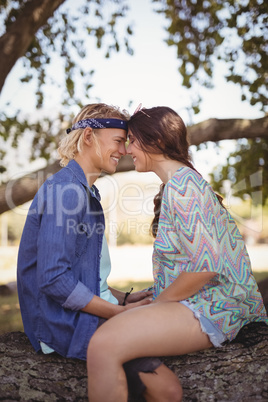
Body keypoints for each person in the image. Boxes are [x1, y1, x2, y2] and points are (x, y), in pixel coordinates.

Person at [87, 105, 268, 402]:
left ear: (155, 142)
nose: (128, 148)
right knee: (113, 333)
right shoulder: (180, 184)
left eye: (132, 140)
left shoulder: (183, 186)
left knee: (102, 344)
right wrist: (154, 295)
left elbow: (205, 268)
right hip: (205, 302)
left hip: (218, 307)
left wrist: (159, 303)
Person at [17, 103, 154, 365]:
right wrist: (117, 312)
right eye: (118, 141)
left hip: (83, 318)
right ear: (89, 136)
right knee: (164, 382)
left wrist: (123, 298)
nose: (124, 151)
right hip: (66, 328)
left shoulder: (86, 193)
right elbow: (54, 279)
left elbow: (81, 274)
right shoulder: (66, 191)